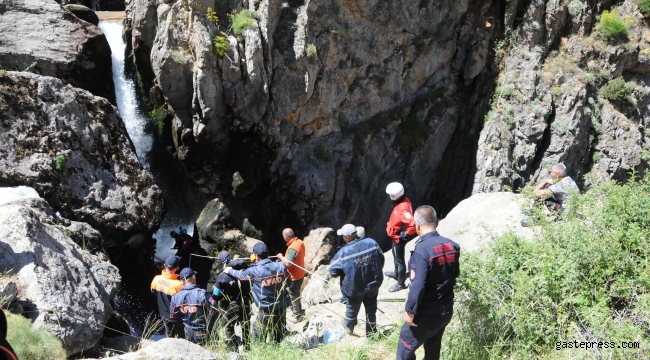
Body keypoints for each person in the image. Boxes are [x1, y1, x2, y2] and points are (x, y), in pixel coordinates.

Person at [396, 205, 460, 360]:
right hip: (445, 310)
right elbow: (455, 274)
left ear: (417, 225)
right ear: (437, 222)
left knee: (404, 350)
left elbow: (418, 285)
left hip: (426, 314)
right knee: (433, 348)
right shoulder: (453, 245)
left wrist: (410, 311)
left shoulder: (422, 251)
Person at [224, 243, 288, 343]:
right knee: (278, 335)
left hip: (265, 311)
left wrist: (229, 270)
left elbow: (240, 275)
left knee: (258, 338)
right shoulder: (280, 266)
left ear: (255, 256)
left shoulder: (254, 271)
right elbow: (286, 272)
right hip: (281, 307)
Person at [329, 224, 384, 337]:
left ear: (347, 237)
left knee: (352, 309)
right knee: (371, 308)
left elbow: (333, 271)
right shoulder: (371, 243)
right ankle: (371, 332)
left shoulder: (343, 252)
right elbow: (381, 258)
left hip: (354, 288)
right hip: (372, 284)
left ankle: (349, 327)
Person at [211, 251, 252, 349]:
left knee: (228, 327)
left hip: (230, 306)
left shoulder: (222, 276)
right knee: (246, 327)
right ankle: (247, 349)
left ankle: (233, 350)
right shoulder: (244, 269)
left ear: (221, 262)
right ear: (231, 258)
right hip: (246, 302)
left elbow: (216, 295)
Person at [385, 182, 417, 292]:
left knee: (399, 261)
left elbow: (413, 223)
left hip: (398, 237)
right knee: (395, 255)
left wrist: (407, 233)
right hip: (395, 235)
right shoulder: (401, 201)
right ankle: (396, 273)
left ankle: (401, 283)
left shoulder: (403, 208)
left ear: (394, 195)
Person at [170, 267, 215, 344]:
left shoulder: (175, 297)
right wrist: (211, 327)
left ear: (181, 280)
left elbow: (173, 318)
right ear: (193, 277)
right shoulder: (202, 294)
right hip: (203, 332)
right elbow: (215, 312)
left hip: (187, 332)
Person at [150, 255, 185, 338]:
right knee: (181, 337)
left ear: (165, 265)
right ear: (177, 267)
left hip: (163, 314)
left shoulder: (156, 279)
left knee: (168, 335)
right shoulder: (179, 284)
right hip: (176, 317)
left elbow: (153, 292)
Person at [276, 228, 305, 322]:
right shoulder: (300, 242)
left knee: (293, 295)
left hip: (294, 276)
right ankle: (299, 311)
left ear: (286, 237)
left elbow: (288, 263)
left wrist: (280, 257)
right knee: (296, 293)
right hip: (300, 273)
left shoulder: (293, 248)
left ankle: (297, 316)